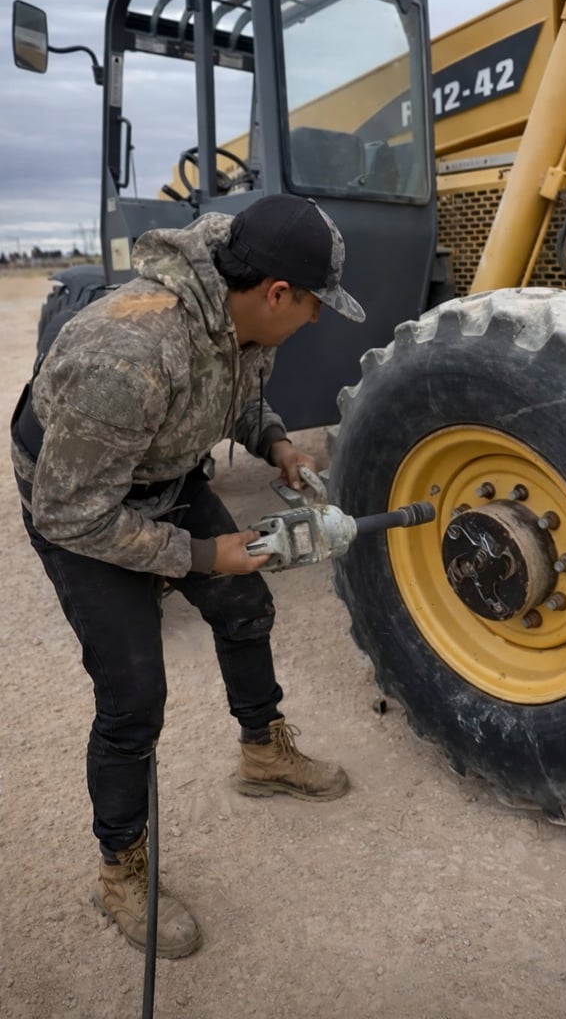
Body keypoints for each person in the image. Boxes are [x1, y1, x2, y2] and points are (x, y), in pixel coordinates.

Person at [10, 194, 366, 959]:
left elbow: (233, 393)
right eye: (312, 306)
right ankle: (120, 867)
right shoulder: (127, 352)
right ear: (277, 292)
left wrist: (277, 445)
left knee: (246, 602)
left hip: (159, 471)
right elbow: (72, 515)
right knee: (134, 692)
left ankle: (263, 752)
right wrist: (199, 554)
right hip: (76, 496)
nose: (314, 321)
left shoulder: (238, 312)